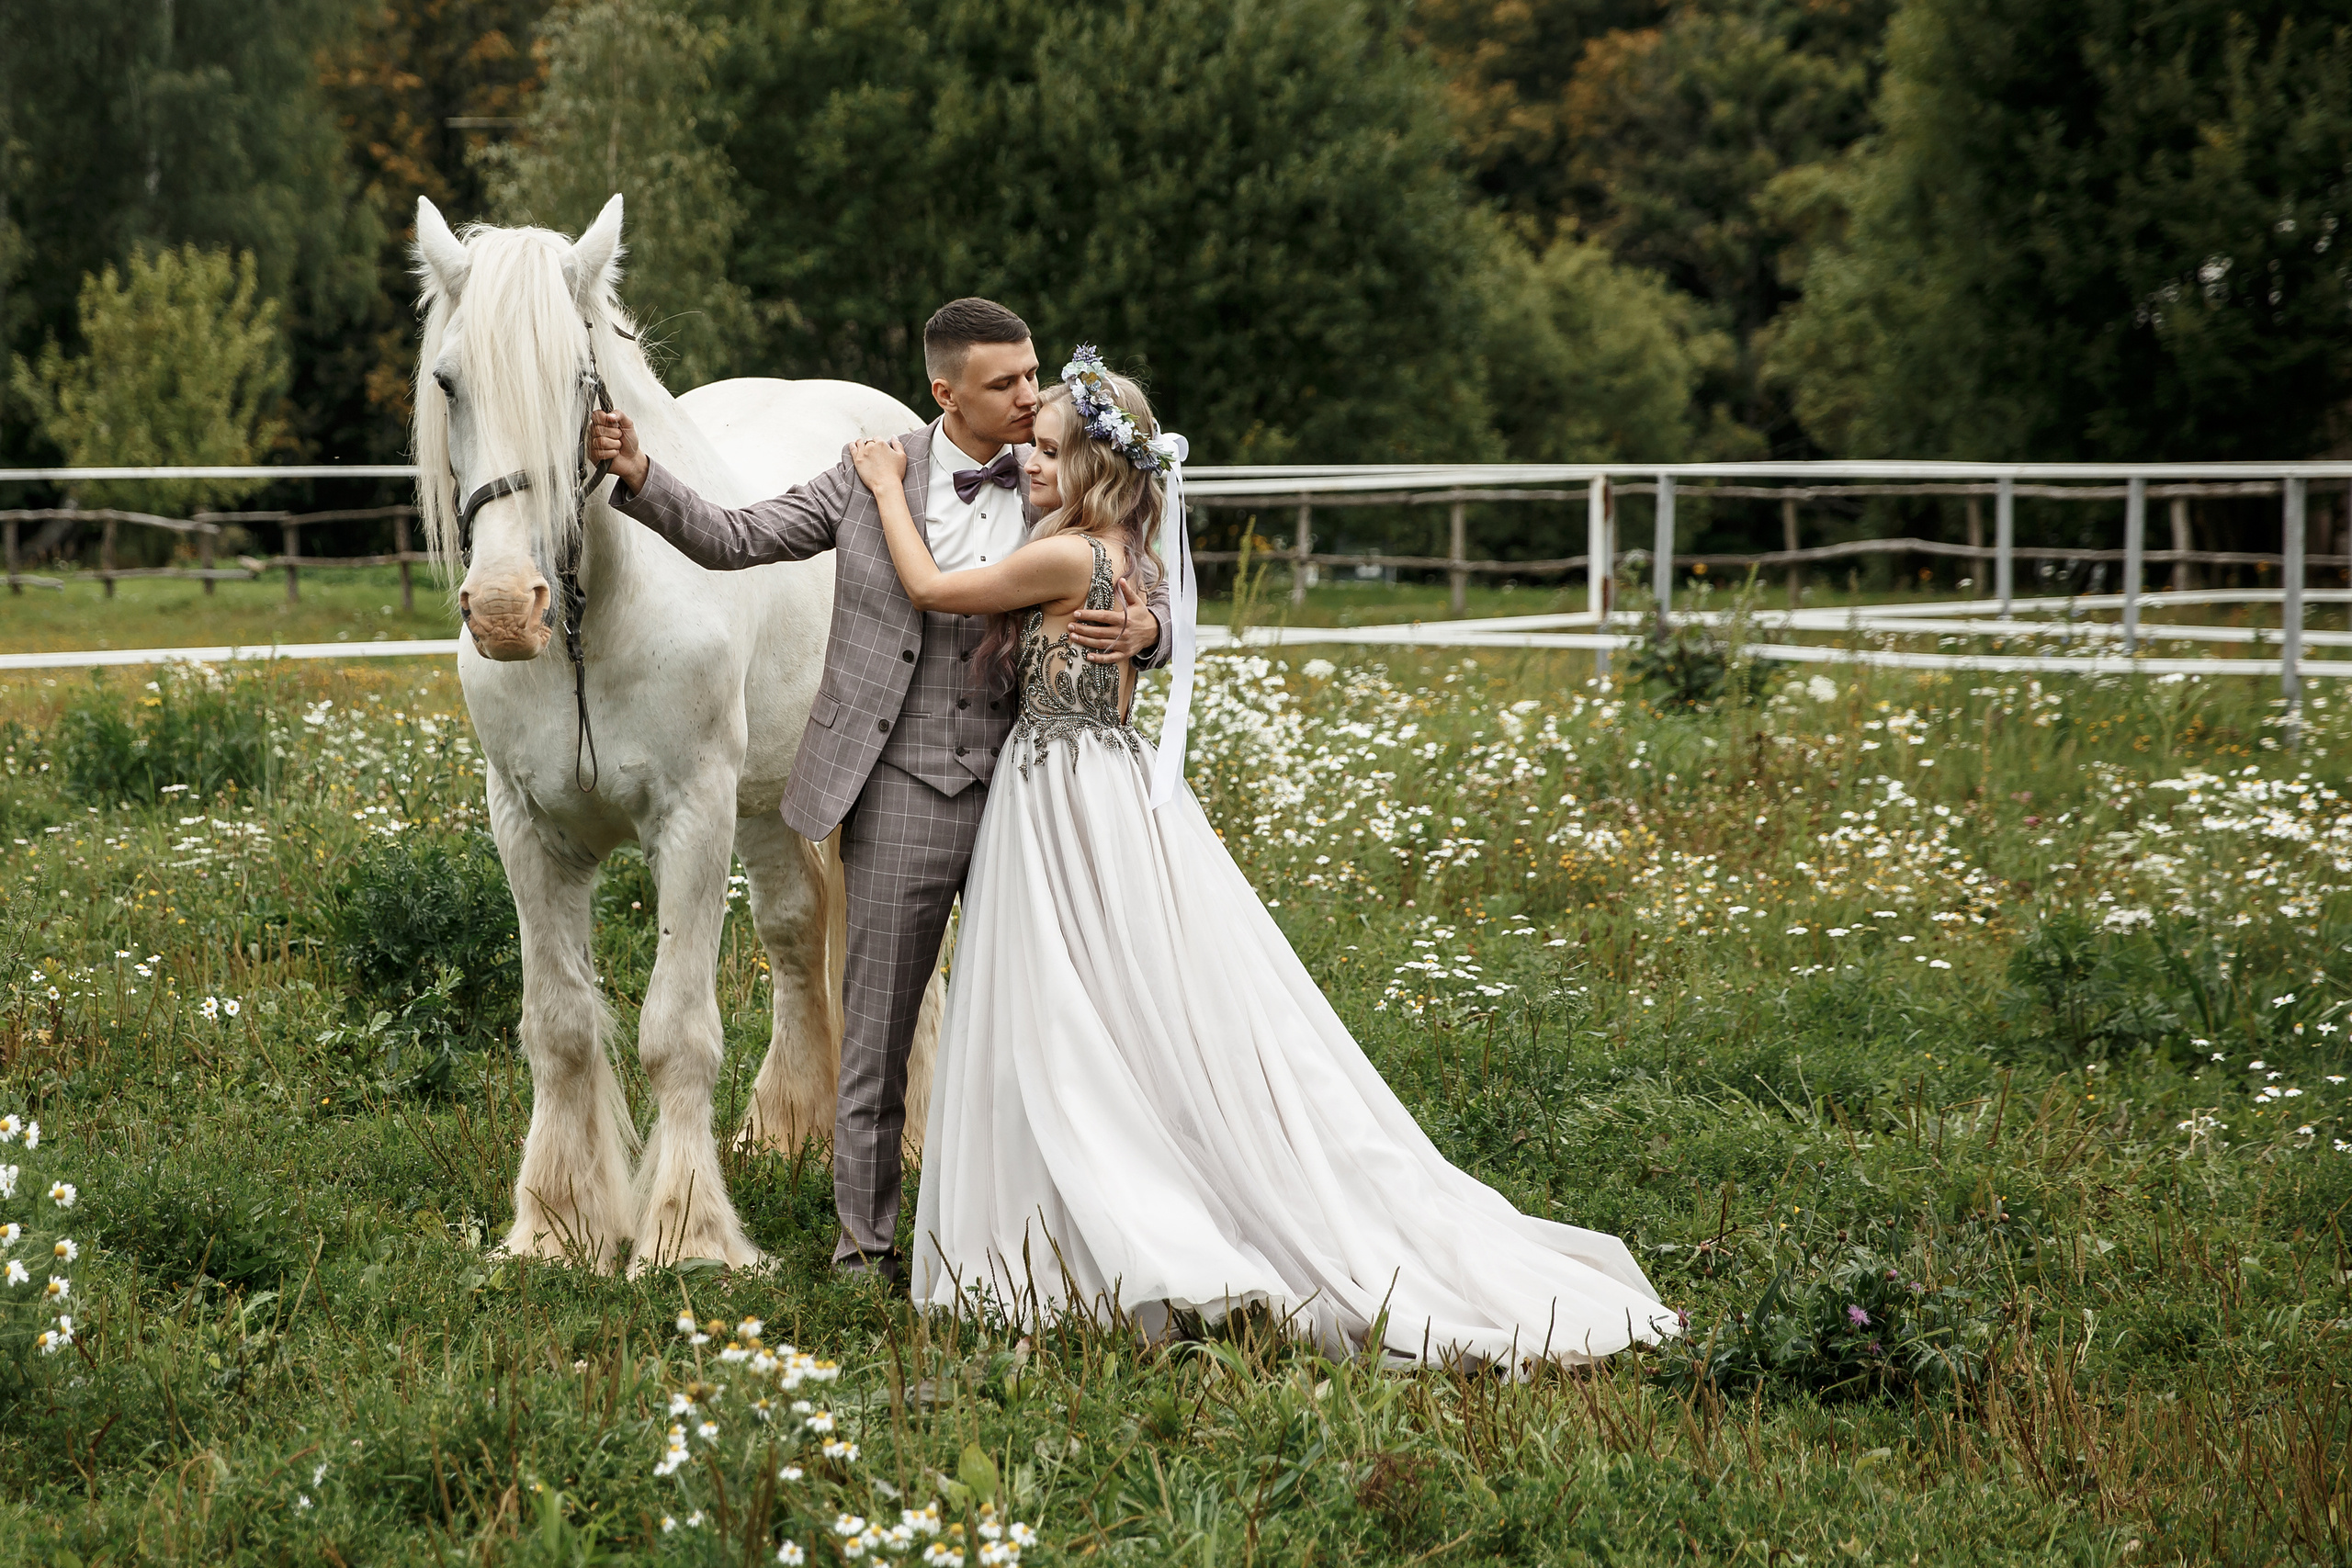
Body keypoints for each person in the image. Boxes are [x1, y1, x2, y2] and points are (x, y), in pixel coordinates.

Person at [852, 344, 1679, 1368]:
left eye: (1050, 451)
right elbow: (1133, 616)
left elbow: (931, 588)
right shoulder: (1125, 555)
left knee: (1061, 999)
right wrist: (1147, 621)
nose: (1030, 460)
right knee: (1115, 995)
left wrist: (888, 485)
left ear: (1097, 468)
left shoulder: (1069, 556)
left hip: (1059, 792)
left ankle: (1104, 1213)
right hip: (1106, 789)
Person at [586, 299, 1170, 1283]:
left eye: (1034, 376)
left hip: (1043, 788)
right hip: (900, 787)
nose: (1032, 398)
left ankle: (1061, 1237)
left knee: (1058, 1020)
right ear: (946, 393)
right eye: (1007, 383)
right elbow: (737, 537)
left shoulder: (1053, 471)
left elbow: (1135, 560)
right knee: (877, 1032)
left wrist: (1149, 635)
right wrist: (639, 476)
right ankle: (865, 1249)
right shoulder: (869, 474)